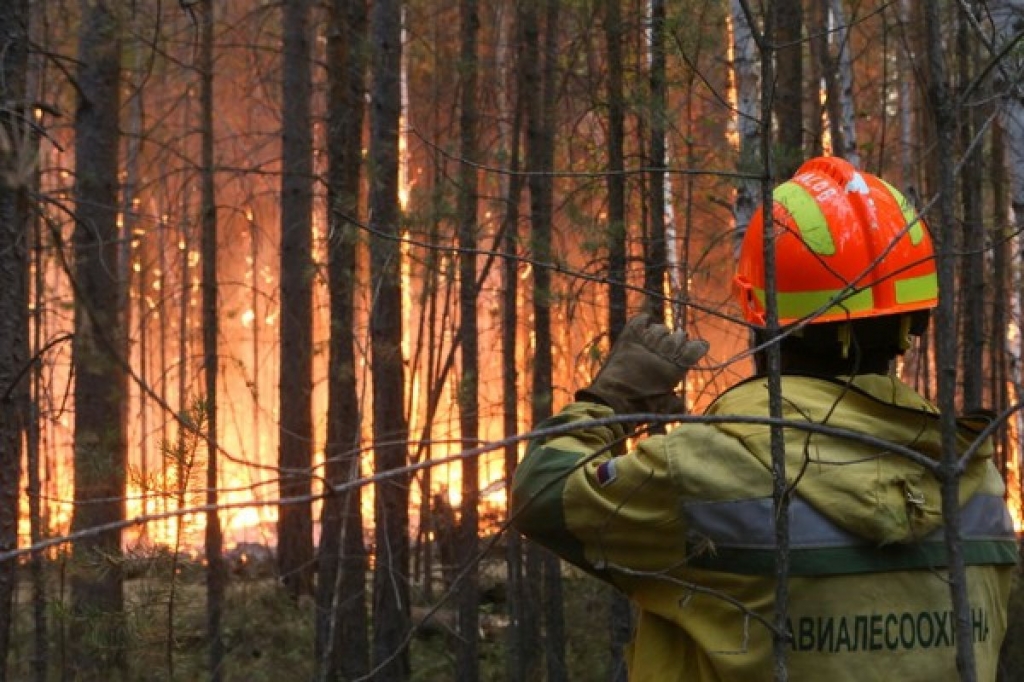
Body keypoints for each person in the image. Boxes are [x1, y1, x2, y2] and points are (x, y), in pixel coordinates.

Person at [510, 156, 1018, 681]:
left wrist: (609, 401)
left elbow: (544, 495)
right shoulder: (978, 480)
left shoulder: (708, 468)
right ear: (916, 320)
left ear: (761, 319)